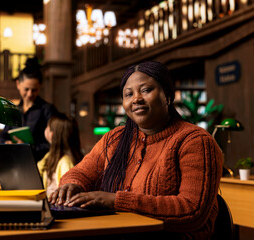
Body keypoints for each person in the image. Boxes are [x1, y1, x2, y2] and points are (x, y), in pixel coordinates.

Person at [49, 61, 223, 239]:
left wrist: (115, 201)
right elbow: (81, 172)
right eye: (128, 94)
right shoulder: (114, 139)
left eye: (146, 90)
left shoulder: (194, 141)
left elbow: (192, 210)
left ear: (168, 96)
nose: (136, 99)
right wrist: (72, 185)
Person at [0, 57, 58, 162]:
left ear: (40, 86)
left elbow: (54, 144)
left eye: (34, 90)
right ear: (18, 84)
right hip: (17, 163)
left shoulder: (47, 110)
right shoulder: (13, 110)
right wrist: (6, 143)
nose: (30, 94)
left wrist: (27, 147)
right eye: (26, 89)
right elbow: (2, 137)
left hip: (39, 165)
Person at [38, 113, 83, 196]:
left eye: (47, 127)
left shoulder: (66, 162)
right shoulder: (50, 155)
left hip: (58, 207)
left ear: (52, 134)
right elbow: (37, 170)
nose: (45, 129)